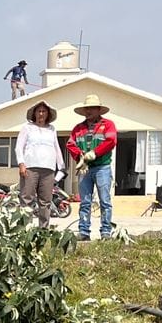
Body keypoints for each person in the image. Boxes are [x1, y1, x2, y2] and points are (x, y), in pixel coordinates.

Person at [67, 97, 118, 240]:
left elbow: (111, 141)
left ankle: (106, 231)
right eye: (86, 108)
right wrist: (80, 157)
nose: (88, 111)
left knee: (105, 200)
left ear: (98, 110)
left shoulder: (108, 125)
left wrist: (95, 153)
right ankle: (84, 232)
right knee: (85, 201)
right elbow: (70, 144)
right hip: (85, 168)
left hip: (102, 167)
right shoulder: (78, 128)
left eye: (92, 108)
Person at [16, 101, 62, 228]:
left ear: (48, 114)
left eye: (44, 111)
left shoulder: (52, 129)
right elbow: (19, 147)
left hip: (48, 169)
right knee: (26, 199)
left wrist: (61, 167)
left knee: (45, 201)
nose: (41, 114)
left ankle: (43, 231)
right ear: (34, 113)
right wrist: (21, 163)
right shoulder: (27, 128)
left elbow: (56, 148)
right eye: (39, 111)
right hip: (30, 168)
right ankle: (24, 230)